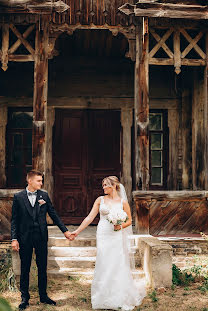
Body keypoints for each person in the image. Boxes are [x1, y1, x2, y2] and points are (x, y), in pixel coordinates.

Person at [69, 176, 146, 310]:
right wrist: (77, 231)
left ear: (114, 186)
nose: (103, 187)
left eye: (106, 185)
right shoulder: (100, 200)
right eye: (103, 185)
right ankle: (102, 297)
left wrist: (120, 226)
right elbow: (89, 217)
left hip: (116, 235)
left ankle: (118, 296)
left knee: (117, 262)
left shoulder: (123, 202)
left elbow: (129, 221)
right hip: (103, 233)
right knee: (104, 262)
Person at [11, 170, 71, 310]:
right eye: (38, 180)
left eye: (41, 180)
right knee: (25, 268)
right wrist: (14, 238)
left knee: (42, 267)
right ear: (30, 181)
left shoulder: (44, 195)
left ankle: (43, 296)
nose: (41, 183)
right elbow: (14, 220)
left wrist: (65, 231)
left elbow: (53, 214)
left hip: (41, 237)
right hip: (24, 238)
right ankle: (24, 299)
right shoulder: (18, 197)